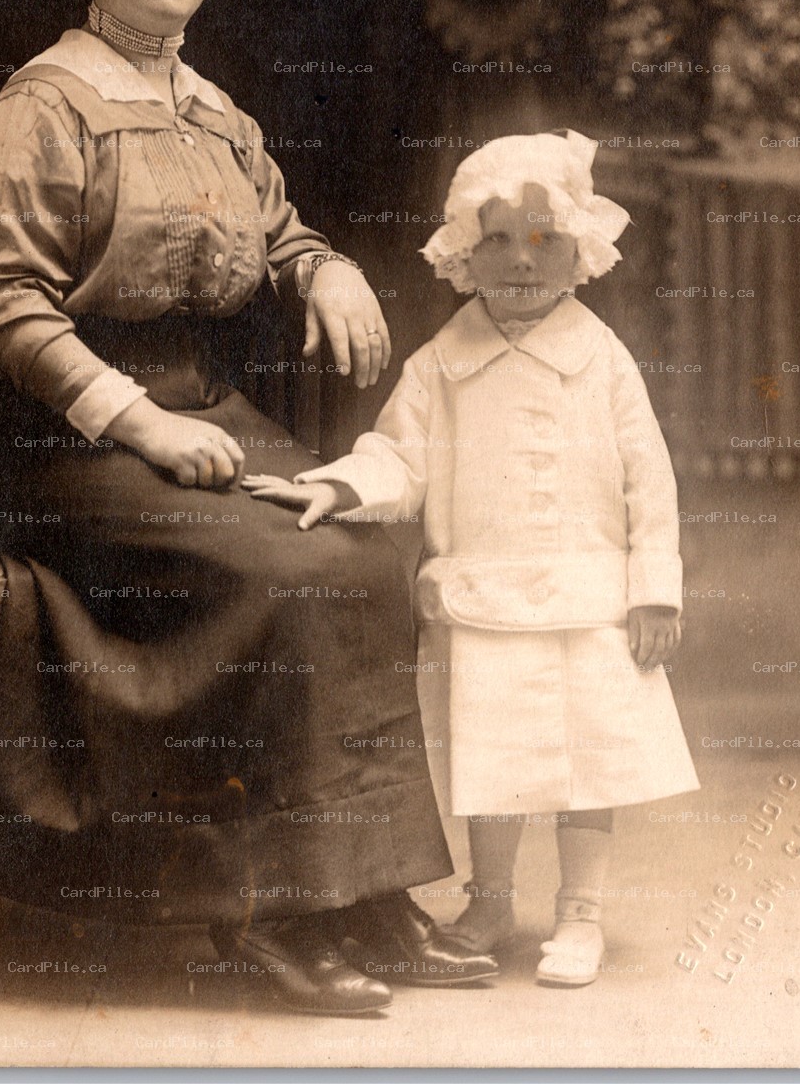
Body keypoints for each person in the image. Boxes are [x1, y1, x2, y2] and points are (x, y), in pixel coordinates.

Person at [0, 0, 496, 1016]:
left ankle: (367, 889)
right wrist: (137, 418)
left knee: (366, 548)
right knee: (285, 571)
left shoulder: (214, 112)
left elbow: (278, 227)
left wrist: (326, 268)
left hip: (207, 414)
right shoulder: (43, 107)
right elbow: (1, 304)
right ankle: (263, 911)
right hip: (76, 438)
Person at [245, 130, 700, 988]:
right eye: (497, 239)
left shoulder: (603, 360)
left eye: (544, 238)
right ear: (462, 251)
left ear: (580, 251)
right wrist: (339, 487)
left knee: (585, 764)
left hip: (588, 600)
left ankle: (581, 912)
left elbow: (651, 479)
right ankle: (490, 901)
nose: (522, 260)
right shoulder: (441, 365)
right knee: (496, 760)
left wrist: (654, 591)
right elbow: (398, 456)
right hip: (484, 600)